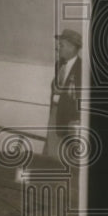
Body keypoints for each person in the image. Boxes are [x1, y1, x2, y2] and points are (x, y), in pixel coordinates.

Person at [45, 28, 83, 158]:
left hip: (69, 118)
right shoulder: (59, 63)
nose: (58, 48)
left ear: (72, 47)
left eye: (62, 45)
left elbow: (81, 97)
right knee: (51, 150)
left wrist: (76, 119)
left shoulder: (82, 68)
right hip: (55, 111)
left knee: (64, 155)